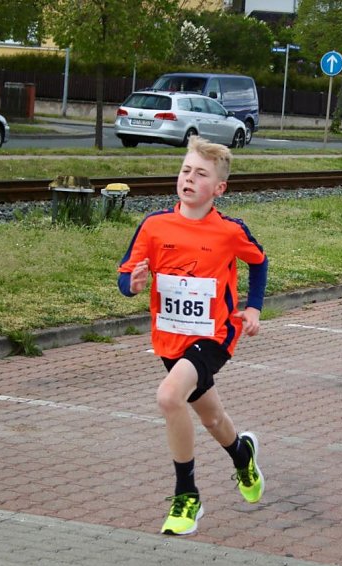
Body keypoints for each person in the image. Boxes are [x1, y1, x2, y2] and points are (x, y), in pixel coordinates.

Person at [117, 136, 268, 535]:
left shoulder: (230, 231)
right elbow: (124, 276)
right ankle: (242, 454)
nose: (189, 178)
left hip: (216, 334)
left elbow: (259, 261)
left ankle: (188, 496)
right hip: (170, 337)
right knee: (212, 416)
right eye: (186, 170)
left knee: (169, 397)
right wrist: (132, 285)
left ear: (219, 188)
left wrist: (253, 308)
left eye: (201, 174)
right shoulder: (154, 225)